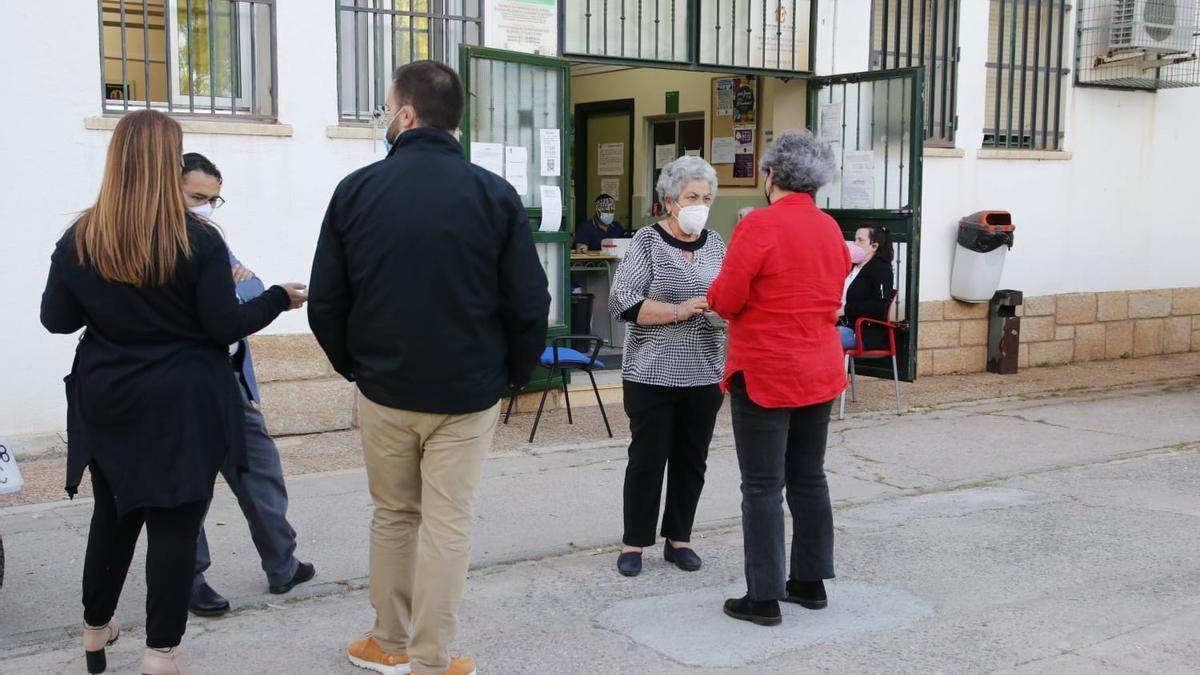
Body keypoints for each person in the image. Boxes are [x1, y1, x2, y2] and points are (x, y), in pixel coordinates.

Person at [40, 110, 307, 674]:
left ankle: (95, 632)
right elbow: (223, 326)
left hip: (109, 397)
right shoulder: (198, 240)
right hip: (184, 401)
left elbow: (56, 320)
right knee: (174, 525)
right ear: (168, 163)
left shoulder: (82, 235)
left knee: (111, 516)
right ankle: (162, 652)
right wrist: (278, 297)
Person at [308, 60, 549, 675]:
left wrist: (354, 367)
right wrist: (513, 377)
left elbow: (327, 300)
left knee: (393, 515)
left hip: (385, 387)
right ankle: (430, 658)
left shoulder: (356, 190)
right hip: (468, 392)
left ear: (406, 115)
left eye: (388, 106)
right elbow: (529, 302)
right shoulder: (493, 194)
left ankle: (387, 640)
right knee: (448, 523)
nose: (386, 117)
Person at [707, 129, 849, 627]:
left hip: (766, 367)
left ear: (770, 176)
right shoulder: (832, 229)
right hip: (819, 366)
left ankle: (763, 595)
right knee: (809, 476)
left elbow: (725, 300)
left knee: (763, 485)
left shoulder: (759, 227)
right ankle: (809, 582)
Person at [180, 153, 315, 617]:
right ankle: (189, 578)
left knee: (260, 470)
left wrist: (239, 284)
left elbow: (252, 287)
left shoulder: (211, 236)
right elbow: (214, 312)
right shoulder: (160, 239)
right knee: (190, 489)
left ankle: (283, 563)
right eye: (197, 196)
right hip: (186, 391)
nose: (206, 207)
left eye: (213, 199)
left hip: (231, 383)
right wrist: (235, 287)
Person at [608, 155, 727, 578]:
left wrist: (722, 310)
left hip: (705, 370)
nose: (700, 203)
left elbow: (731, 294)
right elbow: (623, 302)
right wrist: (679, 310)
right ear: (670, 200)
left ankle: (680, 539)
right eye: (692, 196)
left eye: (706, 197)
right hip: (652, 371)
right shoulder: (647, 241)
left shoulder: (715, 245)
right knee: (647, 458)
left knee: (692, 458)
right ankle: (634, 542)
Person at [838, 227, 895, 350]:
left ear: (874, 246)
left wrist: (845, 309)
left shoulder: (881, 270)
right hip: (839, 323)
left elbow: (879, 305)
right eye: (855, 240)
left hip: (862, 331)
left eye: (860, 240)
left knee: (824, 337)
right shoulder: (851, 267)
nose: (855, 244)